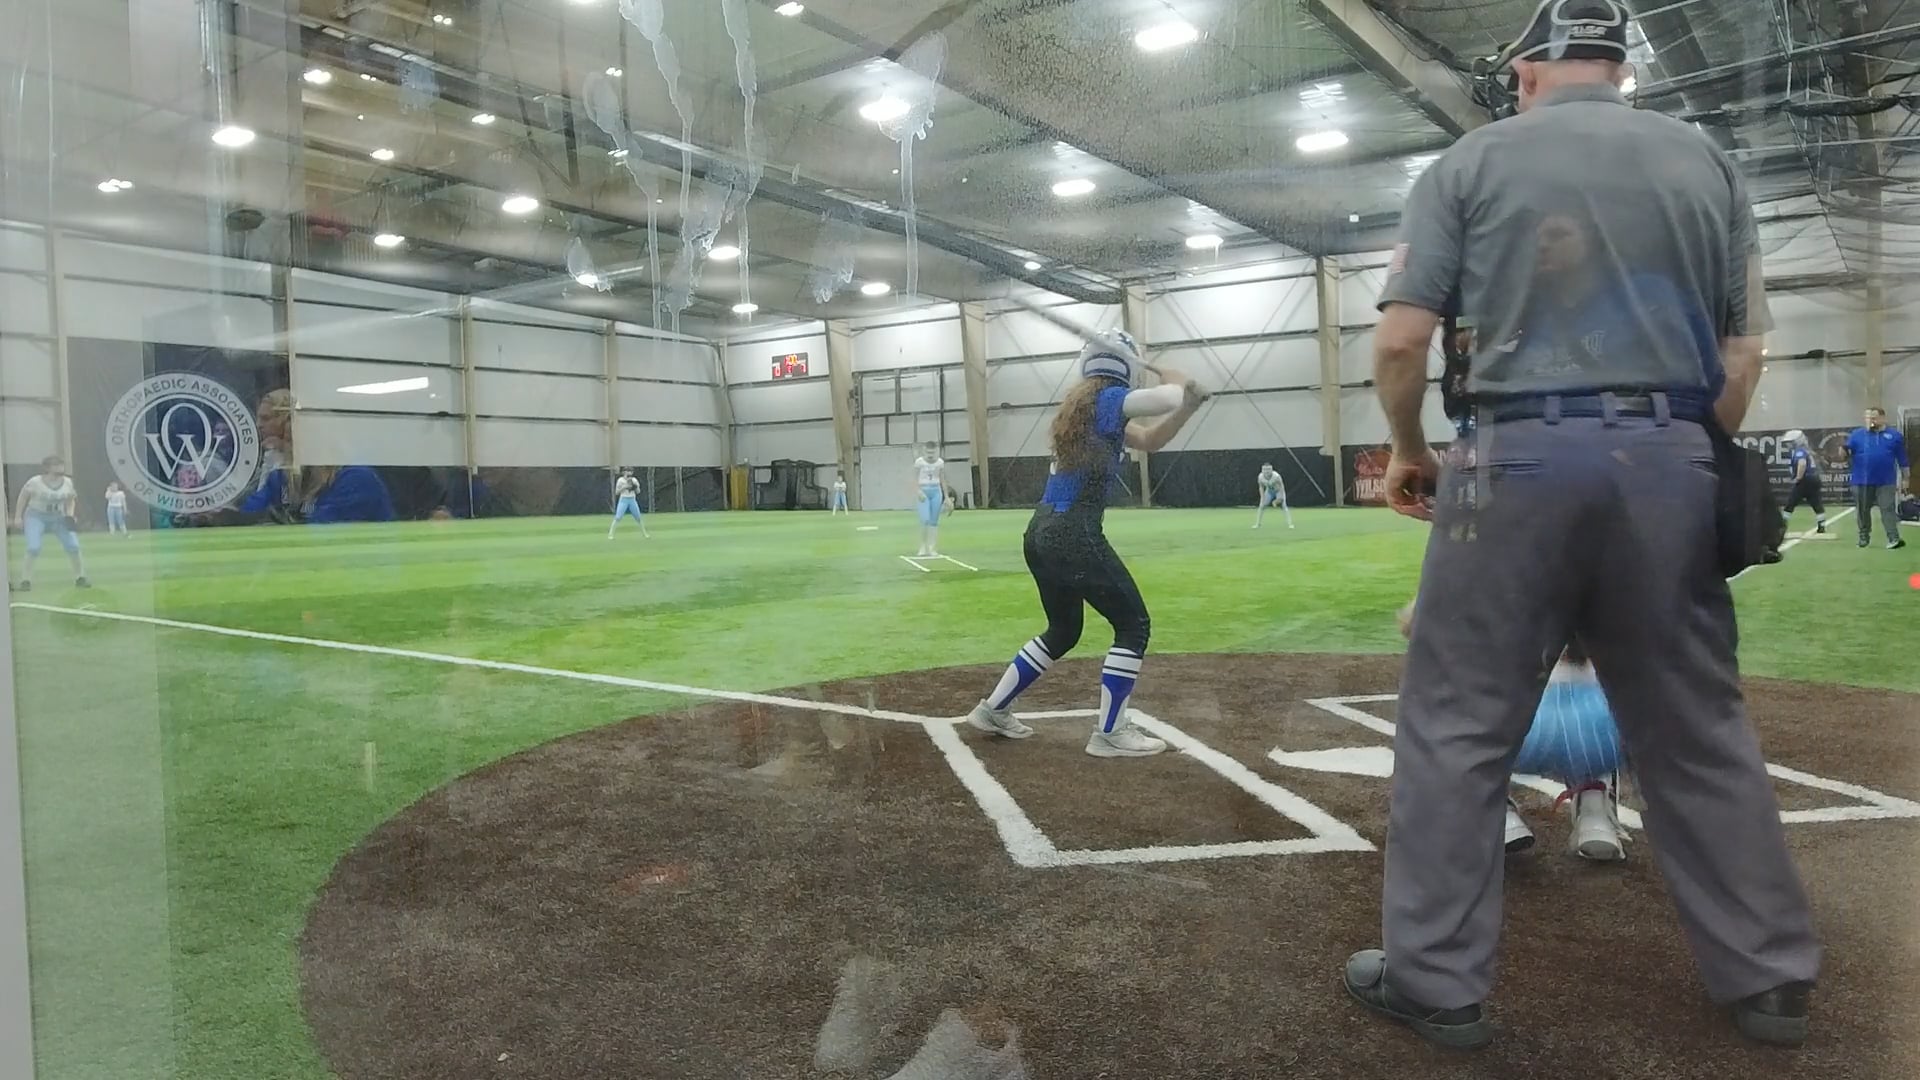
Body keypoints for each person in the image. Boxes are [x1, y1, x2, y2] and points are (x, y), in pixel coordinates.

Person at [1343, 0, 1819, 1052]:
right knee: (1698, 728)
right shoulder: (1708, 165)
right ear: (1620, 68)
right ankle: (1772, 977)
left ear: (1525, 73)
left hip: (1511, 459)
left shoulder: (1471, 163)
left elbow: (1402, 342)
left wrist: (1410, 448)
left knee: (1458, 725)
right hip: (1670, 456)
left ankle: (1437, 983)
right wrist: (1679, 453)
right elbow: (1745, 355)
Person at [964, 331, 1207, 758]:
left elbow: (1151, 440)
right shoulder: (1110, 400)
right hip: (1073, 532)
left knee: (1063, 630)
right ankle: (1110, 732)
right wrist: (1176, 381)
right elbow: (1164, 398)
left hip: (1041, 532)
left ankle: (994, 709)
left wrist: (1187, 406)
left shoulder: (1085, 409)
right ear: (1126, 368)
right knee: (1133, 625)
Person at [240, 390, 395, 524]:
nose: (290, 449)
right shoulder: (281, 479)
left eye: (299, 442)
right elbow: (249, 512)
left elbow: (322, 528)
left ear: (323, 443)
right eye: (288, 441)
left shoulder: (355, 479)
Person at [11, 455, 89, 590]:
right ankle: (25, 580)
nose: (60, 468)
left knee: (73, 546)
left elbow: (70, 499)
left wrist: (70, 515)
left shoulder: (68, 482)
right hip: (36, 515)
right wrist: (18, 516)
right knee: (33, 547)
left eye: (61, 465)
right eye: (56, 465)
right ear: (47, 468)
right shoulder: (35, 482)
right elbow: (23, 497)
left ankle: (80, 577)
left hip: (58, 517)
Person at [1844, 407, 1908, 549]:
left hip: (1886, 481)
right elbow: (1845, 454)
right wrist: (1842, 451)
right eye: (1868, 417)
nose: (1871, 420)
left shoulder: (1894, 436)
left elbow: (1902, 459)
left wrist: (1906, 479)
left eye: (1874, 417)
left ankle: (1893, 538)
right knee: (1862, 510)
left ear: (1882, 418)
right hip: (1861, 480)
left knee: (1887, 508)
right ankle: (1864, 537)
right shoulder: (1857, 435)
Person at [1777, 429, 1826, 534]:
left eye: (1790, 442)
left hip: (1805, 480)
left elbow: (1802, 464)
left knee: (1791, 503)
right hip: (1814, 478)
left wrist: (1798, 478)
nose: (1788, 445)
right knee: (1816, 503)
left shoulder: (1800, 451)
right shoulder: (1808, 451)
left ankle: (1782, 526)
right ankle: (1821, 526)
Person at [911, 443, 945, 557]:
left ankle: (932, 548)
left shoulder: (940, 463)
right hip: (923, 491)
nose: (930, 455)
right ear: (924, 451)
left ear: (937, 451)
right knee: (925, 519)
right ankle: (922, 546)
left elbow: (943, 480)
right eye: (928, 452)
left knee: (934, 521)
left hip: (936, 491)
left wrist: (947, 497)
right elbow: (914, 479)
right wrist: (918, 491)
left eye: (933, 452)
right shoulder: (919, 462)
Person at [609, 468, 648, 538]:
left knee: (638, 517)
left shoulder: (634, 480)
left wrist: (635, 487)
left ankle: (645, 534)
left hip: (632, 499)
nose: (629, 473)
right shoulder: (620, 480)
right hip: (623, 500)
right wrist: (624, 487)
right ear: (624, 472)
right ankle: (611, 534)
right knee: (618, 517)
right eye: (627, 471)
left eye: (630, 471)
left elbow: (638, 491)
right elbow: (617, 492)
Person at [1253, 463, 1292, 529]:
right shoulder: (1260, 477)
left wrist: (1281, 497)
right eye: (1265, 469)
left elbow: (1281, 486)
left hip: (1278, 491)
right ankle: (1257, 524)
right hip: (1269, 491)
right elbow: (1261, 487)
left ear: (1272, 470)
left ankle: (1290, 524)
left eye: (1268, 469)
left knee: (1284, 506)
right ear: (1262, 470)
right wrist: (1262, 498)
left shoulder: (1276, 476)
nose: (1267, 471)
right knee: (1261, 506)